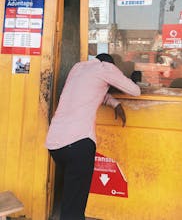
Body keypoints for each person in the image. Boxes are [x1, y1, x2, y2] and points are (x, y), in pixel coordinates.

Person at [45, 53, 141, 220]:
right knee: (74, 207)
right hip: (78, 144)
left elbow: (89, 91)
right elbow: (135, 91)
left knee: (71, 199)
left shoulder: (78, 68)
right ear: (111, 64)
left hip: (55, 143)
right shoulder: (106, 68)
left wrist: (114, 102)